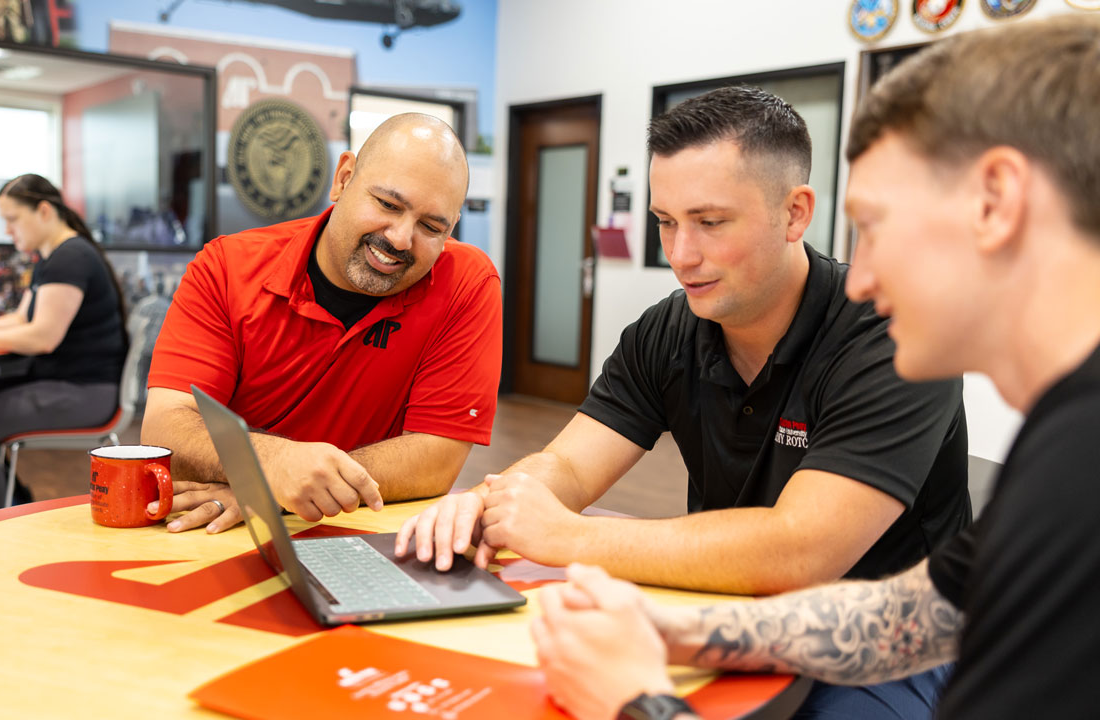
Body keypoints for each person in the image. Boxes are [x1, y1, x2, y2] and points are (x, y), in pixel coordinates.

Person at [530, 14, 1100, 720]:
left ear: (995, 202)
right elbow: (918, 615)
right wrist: (676, 630)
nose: (860, 278)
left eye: (878, 224)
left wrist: (634, 703)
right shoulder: (1063, 437)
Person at [397, 87, 969, 718]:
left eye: (711, 223)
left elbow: (800, 550)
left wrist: (568, 536)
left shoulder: (890, 335)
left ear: (795, 213)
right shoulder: (666, 331)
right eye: (666, 222)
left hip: (896, 640)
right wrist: (490, 502)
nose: (680, 256)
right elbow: (570, 466)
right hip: (728, 604)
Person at [140, 113, 501, 533]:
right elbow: (165, 427)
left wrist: (272, 489)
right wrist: (273, 466)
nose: (401, 238)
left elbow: (436, 459)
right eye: (387, 204)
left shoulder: (467, 283)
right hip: (220, 528)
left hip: (364, 533)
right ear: (344, 178)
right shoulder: (226, 267)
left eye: (430, 226)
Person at [0, 174, 127, 513]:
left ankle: (0, 523)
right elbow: (20, 319)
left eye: (12, 219)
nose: (7, 230)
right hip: (70, 384)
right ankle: (11, 504)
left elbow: (42, 337)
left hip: (85, 392)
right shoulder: (55, 257)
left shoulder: (70, 258)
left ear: (44, 211)